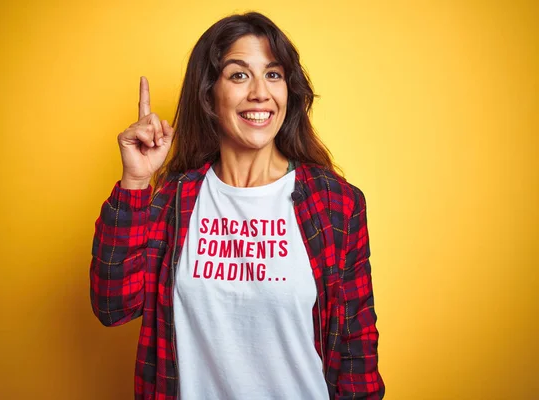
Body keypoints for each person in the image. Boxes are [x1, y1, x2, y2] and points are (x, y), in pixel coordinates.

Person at [90, 11, 384, 400]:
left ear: (289, 92)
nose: (260, 92)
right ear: (209, 93)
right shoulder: (175, 201)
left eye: (274, 74)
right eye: (239, 74)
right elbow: (113, 306)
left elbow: (355, 351)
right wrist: (136, 182)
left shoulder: (335, 203)